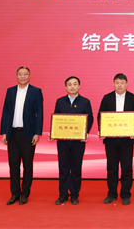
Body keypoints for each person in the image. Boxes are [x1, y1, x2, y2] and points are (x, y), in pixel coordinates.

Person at [0, 66, 44, 206]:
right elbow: (6, 111)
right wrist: (4, 131)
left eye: (25, 74)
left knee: (27, 165)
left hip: (28, 134)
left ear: (30, 76)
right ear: (16, 76)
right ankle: (15, 193)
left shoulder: (36, 91)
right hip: (12, 134)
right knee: (13, 165)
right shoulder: (10, 91)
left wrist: (37, 132)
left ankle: (25, 194)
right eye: (20, 74)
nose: (23, 76)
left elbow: (40, 114)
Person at [98, 73, 134, 205]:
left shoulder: (133, 98)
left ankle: (125, 194)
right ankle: (112, 193)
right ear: (113, 84)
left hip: (127, 139)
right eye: (117, 82)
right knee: (111, 167)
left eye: (122, 83)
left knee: (126, 167)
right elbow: (101, 115)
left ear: (126, 84)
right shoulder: (107, 98)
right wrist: (102, 130)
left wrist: (133, 129)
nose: (119, 85)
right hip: (111, 139)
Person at [53, 76, 94, 205]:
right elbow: (56, 119)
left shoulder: (85, 102)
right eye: (69, 84)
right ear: (66, 87)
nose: (72, 87)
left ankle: (75, 194)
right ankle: (63, 194)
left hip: (78, 142)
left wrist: (84, 133)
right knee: (63, 167)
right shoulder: (60, 101)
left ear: (79, 86)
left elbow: (90, 118)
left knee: (76, 168)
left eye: (75, 84)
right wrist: (54, 132)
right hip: (63, 141)